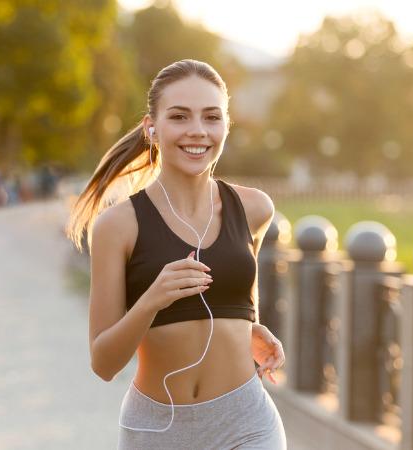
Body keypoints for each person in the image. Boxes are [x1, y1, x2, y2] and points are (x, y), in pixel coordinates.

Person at [67, 59, 287, 449]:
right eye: (180, 116)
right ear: (152, 126)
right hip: (156, 430)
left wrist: (250, 329)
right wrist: (153, 299)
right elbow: (103, 363)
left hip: (247, 424)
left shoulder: (254, 209)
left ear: (226, 126)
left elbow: (241, 302)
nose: (198, 131)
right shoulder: (118, 226)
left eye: (211, 117)